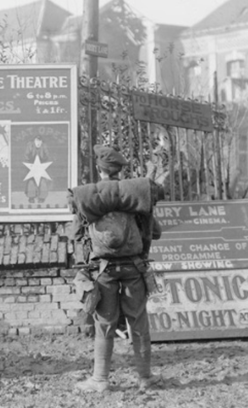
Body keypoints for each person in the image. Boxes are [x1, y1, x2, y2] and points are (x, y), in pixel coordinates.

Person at [74, 145, 162, 393]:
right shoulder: (135, 196)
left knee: (104, 324)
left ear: (99, 169)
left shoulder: (88, 198)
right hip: (134, 268)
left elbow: (75, 235)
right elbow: (156, 232)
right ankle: (145, 378)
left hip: (103, 271)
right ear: (120, 170)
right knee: (138, 323)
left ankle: (100, 380)